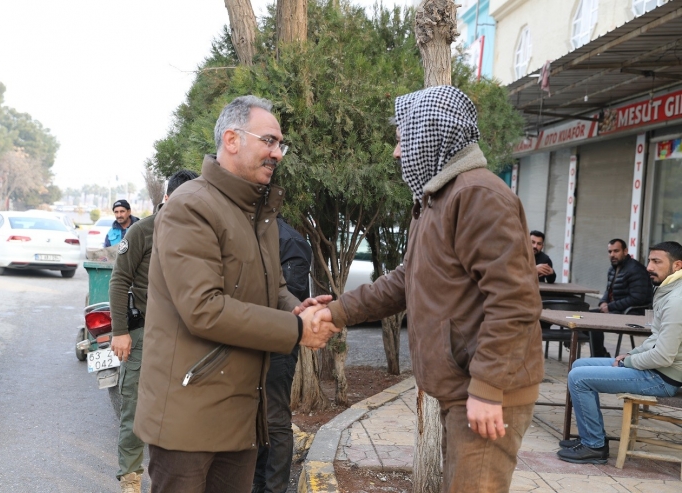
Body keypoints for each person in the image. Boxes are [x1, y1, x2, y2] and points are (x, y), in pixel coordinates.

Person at [315, 86, 544, 493]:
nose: (397, 153)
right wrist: (337, 313)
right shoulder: (439, 198)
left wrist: (489, 389)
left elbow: (514, 301)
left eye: (404, 140)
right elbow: (407, 279)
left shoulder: (476, 195)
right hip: (465, 388)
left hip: (489, 393)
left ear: (431, 135)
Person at [133, 95, 338, 493]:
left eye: (281, 145)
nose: (277, 153)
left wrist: (301, 310)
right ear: (231, 139)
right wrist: (296, 330)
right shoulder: (191, 207)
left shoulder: (255, 212)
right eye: (269, 141)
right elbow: (203, 309)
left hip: (240, 414)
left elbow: (272, 286)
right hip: (187, 420)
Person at [108, 169, 198, 493]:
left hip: (186, 336)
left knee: (180, 410)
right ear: (167, 198)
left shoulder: (197, 234)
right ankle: (131, 477)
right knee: (134, 406)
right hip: (145, 331)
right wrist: (120, 331)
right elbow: (119, 281)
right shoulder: (142, 232)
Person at [557, 241, 682, 464]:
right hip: (657, 369)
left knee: (578, 378)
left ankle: (593, 446)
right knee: (579, 365)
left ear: (677, 266)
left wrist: (629, 363)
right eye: (649, 260)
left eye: (656, 261)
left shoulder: (676, 300)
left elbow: (663, 356)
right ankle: (592, 438)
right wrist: (629, 355)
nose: (649, 267)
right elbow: (655, 337)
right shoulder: (668, 290)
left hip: (664, 377)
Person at [252, 216, 312, 493]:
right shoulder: (246, 231)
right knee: (252, 417)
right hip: (248, 341)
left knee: (274, 420)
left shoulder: (290, 241)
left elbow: (292, 298)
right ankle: (257, 484)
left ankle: (274, 489)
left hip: (277, 344)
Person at [591, 238, 654, 357]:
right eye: (610, 252)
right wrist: (603, 302)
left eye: (616, 251)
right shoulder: (612, 269)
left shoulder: (635, 269)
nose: (612, 255)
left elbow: (637, 298)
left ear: (625, 251)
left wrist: (610, 306)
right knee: (585, 316)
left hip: (633, 313)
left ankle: (598, 355)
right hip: (617, 310)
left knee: (593, 321)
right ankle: (600, 354)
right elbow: (608, 290)